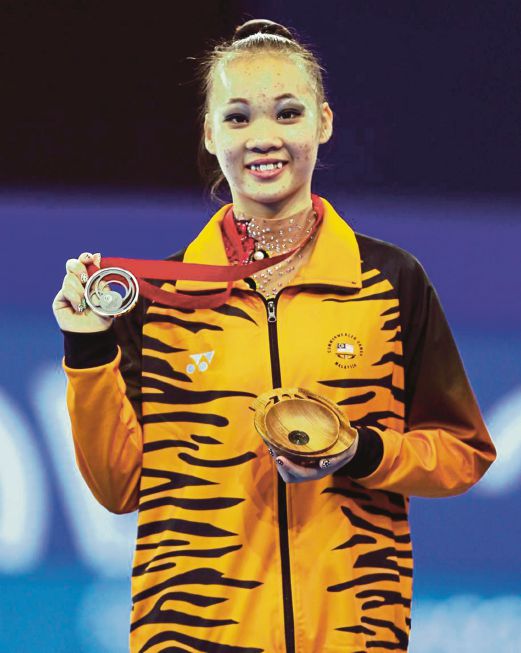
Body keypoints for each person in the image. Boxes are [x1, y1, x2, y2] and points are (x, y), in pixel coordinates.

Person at [52, 18, 496, 653]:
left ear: (324, 122)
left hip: (351, 632)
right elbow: (118, 488)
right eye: (237, 118)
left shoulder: (389, 283)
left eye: (288, 113)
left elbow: (462, 451)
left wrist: (362, 453)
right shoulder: (162, 301)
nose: (264, 138)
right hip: (191, 632)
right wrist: (87, 345)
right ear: (209, 134)